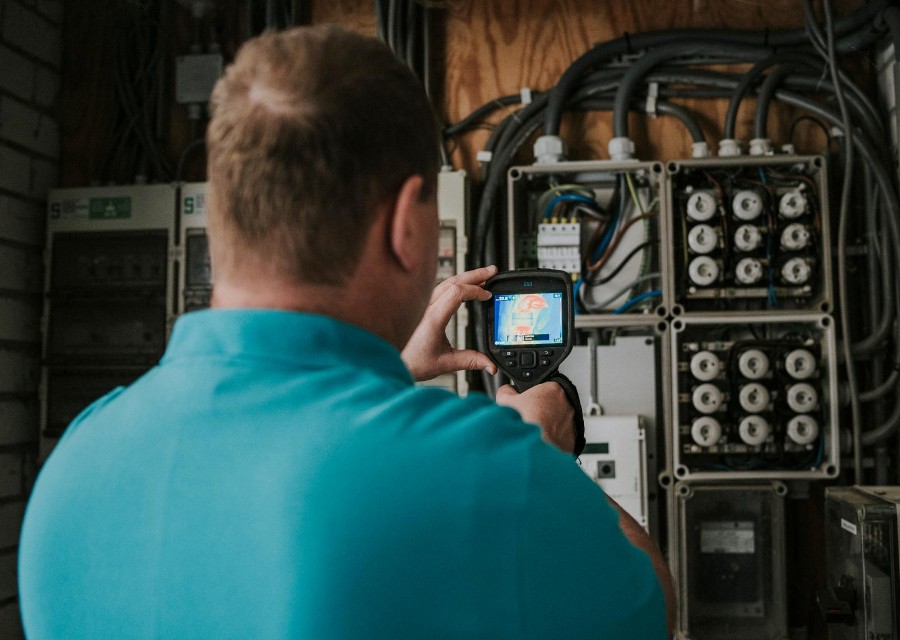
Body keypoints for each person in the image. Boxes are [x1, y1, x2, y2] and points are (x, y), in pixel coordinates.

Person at [19, 25, 674, 639]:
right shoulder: (488, 472)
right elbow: (649, 606)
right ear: (405, 227)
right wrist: (541, 449)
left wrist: (384, 377)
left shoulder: (73, 463)